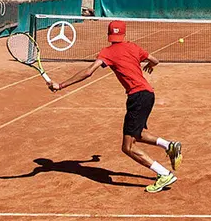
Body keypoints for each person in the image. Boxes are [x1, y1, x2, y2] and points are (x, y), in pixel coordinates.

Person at [47, 20, 183, 194]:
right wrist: (150, 65)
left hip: (137, 97)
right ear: (124, 34)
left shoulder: (108, 52)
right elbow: (154, 60)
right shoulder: (133, 47)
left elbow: (89, 72)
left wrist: (61, 85)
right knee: (137, 134)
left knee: (128, 147)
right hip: (148, 94)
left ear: (109, 35)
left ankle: (164, 174)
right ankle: (169, 145)